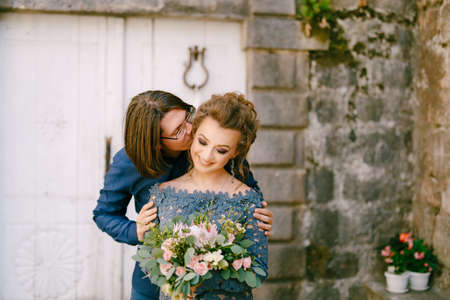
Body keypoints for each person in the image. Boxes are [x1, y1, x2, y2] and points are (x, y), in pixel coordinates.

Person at [92, 90, 273, 300]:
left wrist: (261, 215)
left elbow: (248, 191)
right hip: (153, 283)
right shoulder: (128, 162)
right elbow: (104, 214)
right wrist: (137, 231)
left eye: (188, 118)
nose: (190, 130)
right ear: (156, 142)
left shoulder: (208, 145)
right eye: (178, 130)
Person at [150, 92, 268, 299]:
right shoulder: (162, 194)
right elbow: (151, 260)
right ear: (193, 135)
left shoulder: (248, 199)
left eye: (221, 150)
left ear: (235, 152)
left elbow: (258, 270)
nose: (206, 156)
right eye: (203, 142)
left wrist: (201, 280)